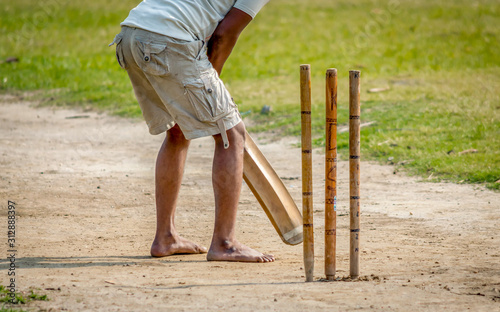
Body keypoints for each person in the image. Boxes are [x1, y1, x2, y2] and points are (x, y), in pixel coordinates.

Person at [110, 0, 274, 262]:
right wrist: (210, 84)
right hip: (168, 39)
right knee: (231, 134)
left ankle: (166, 237)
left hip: (132, 34)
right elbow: (224, 34)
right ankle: (225, 243)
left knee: (177, 130)